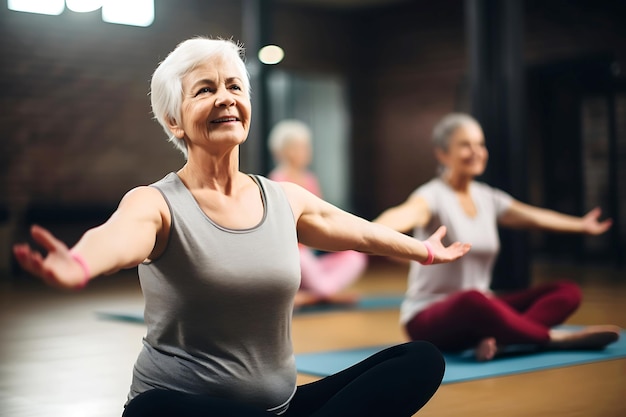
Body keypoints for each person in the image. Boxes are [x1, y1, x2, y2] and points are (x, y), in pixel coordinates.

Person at [13, 38, 472, 417]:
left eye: (234, 86)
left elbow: (354, 229)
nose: (225, 98)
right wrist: (79, 262)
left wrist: (424, 252)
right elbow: (118, 236)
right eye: (205, 90)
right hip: (182, 409)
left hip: (280, 408)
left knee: (419, 359)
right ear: (174, 120)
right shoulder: (157, 203)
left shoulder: (283, 198)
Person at [374, 112, 621, 362]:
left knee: (566, 291)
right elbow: (402, 215)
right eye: (465, 145)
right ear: (443, 154)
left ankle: (501, 341)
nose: (476, 151)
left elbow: (533, 216)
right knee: (473, 300)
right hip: (429, 319)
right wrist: (368, 231)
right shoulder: (431, 196)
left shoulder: (488, 198)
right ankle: (551, 338)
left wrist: (581, 225)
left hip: (484, 312)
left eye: (480, 144)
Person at [268, 119, 368, 307]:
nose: (307, 151)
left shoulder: (310, 179)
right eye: (301, 147)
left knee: (355, 257)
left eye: (306, 146)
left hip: (312, 256)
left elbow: (321, 217)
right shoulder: (276, 182)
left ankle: (316, 293)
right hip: (293, 257)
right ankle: (323, 293)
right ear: (285, 150)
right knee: (303, 260)